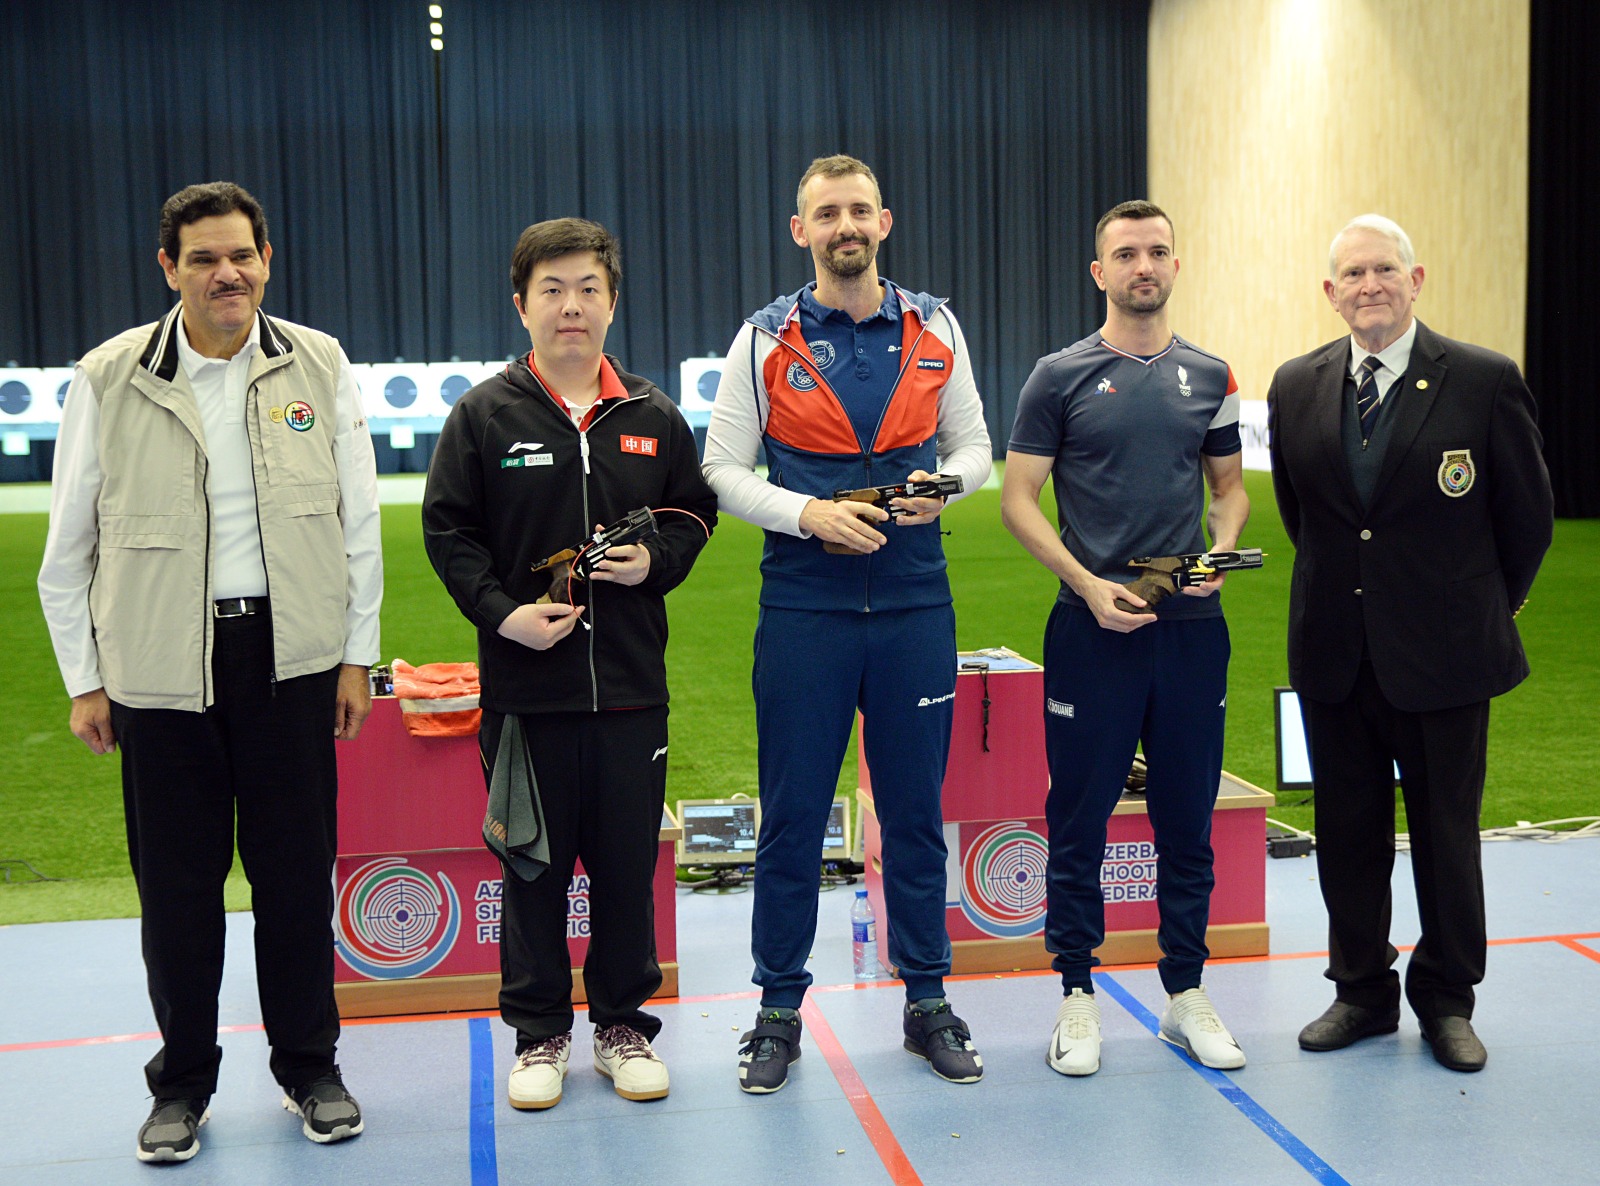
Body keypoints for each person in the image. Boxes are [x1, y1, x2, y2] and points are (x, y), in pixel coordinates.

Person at [36, 182, 382, 1162]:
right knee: (178, 893)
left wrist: (355, 652)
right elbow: (68, 551)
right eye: (203, 259)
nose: (226, 274)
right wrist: (85, 679)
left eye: (241, 254)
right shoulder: (109, 377)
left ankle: (310, 1068)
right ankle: (180, 1085)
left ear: (266, 256)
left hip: (292, 664)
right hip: (156, 674)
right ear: (168, 269)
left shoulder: (319, 362)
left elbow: (357, 524)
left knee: (293, 884)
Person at [702, 154, 992, 1093]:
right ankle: (778, 1011)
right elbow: (722, 470)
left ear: (885, 221)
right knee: (791, 822)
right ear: (801, 232)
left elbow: (974, 445)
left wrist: (944, 491)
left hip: (914, 607)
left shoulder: (934, 324)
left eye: (858, 209)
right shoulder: (762, 339)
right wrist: (808, 515)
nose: (845, 226)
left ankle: (928, 1003)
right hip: (805, 612)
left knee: (914, 820)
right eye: (826, 213)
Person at [423, 218, 716, 1111]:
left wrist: (653, 560)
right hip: (526, 698)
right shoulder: (482, 414)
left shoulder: (653, 416)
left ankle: (623, 1028)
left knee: (628, 869)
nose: (571, 305)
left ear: (612, 301)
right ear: (522, 305)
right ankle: (540, 1035)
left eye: (588, 287)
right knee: (533, 871)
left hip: (632, 694)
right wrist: (506, 616)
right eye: (552, 289)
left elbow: (693, 515)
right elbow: (449, 535)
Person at [1267, 215, 1552, 1073]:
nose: (1369, 287)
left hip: (1446, 658)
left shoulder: (1482, 380)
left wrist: (1475, 610)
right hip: (1335, 657)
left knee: (1445, 835)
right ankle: (1360, 991)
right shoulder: (1296, 385)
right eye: (1352, 275)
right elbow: (1304, 515)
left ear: (1416, 279)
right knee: (1346, 835)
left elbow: (1527, 522)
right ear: (1331, 292)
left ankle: (1447, 999)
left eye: (1384, 270)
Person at [1001, 200, 1250, 1077]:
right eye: (1125, 254)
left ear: (1176, 266)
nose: (1143, 266)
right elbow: (1018, 500)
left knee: (1189, 818)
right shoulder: (1058, 376)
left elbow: (1229, 492)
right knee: (1079, 820)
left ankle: (1185, 993)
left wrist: (1217, 554)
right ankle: (1077, 995)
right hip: (1089, 629)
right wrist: (1086, 585)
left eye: (1158, 252)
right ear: (1098, 271)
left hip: (1191, 632)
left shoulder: (1209, 375)